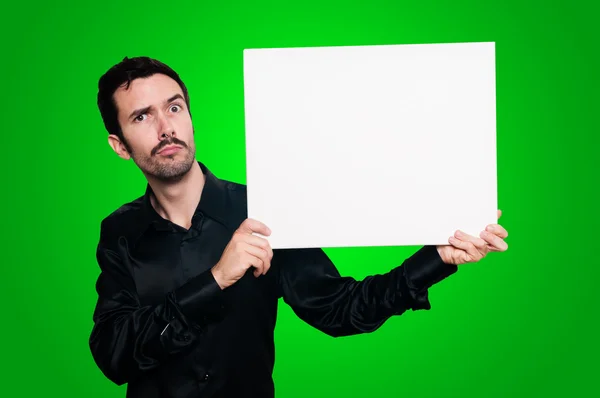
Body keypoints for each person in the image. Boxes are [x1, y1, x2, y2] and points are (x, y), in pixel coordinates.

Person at [89, 56, 509, 398]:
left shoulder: (267, 210)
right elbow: (114, 355)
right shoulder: (119, 232)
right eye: (143, 117)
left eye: (174, 107)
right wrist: (215, 280)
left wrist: (436, 258)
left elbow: (342, 310)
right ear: (119, 145)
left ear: (190, 116)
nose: (166, 128)